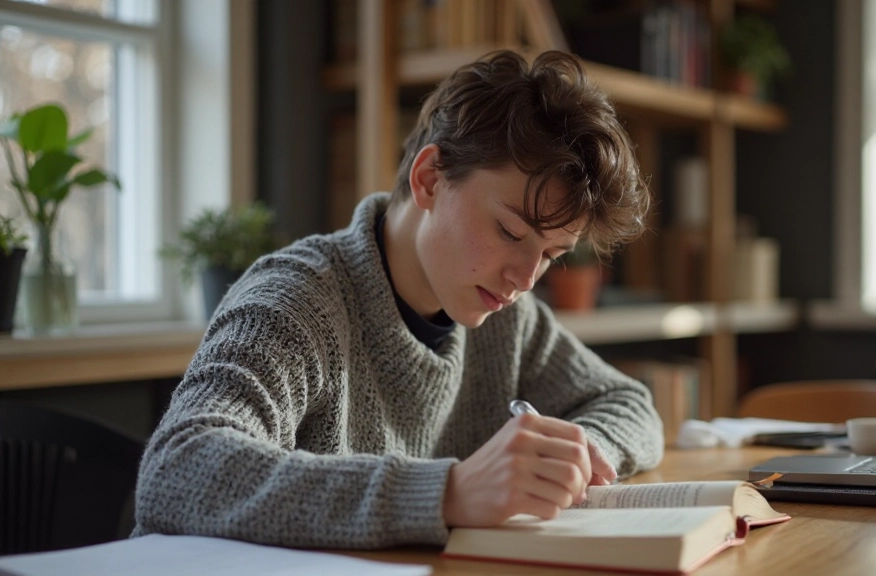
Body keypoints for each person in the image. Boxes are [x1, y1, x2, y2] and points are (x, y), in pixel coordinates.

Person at [134, 50, 663, 549]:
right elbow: (178, 468)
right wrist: (447, 493)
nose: (526, 277)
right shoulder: (295, 301)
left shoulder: (509, 317)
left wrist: (578, 453)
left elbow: (629, 402)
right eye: (508, 231)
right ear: (430, 178)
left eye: (551, 254)